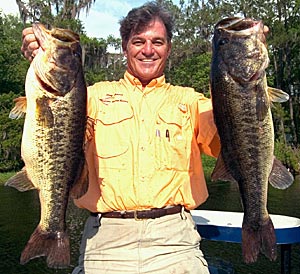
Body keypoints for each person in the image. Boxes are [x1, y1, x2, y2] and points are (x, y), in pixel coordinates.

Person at [21, 2, 221, 273]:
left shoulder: (192, 101)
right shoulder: (90, 96)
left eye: (157, 42)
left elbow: (229, 140)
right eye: (138, 41)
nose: (148, 50)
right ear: (125, 47)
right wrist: (41, 54)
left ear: (169, 48)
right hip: (105, 243)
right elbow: (55, 113)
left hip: (175, 244)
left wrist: (241, 63)